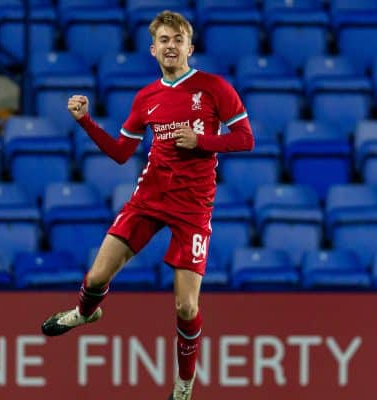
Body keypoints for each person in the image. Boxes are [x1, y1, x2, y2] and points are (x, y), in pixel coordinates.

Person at [41, 10, 254, 400]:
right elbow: (122, 153)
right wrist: (86, 121)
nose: (171, 45)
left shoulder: (214, 88)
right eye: (164, 40)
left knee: (187, 307)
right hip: (149, 198)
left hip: (193, 207)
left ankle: (184, 383)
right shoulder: (147, 98)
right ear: (153, 49)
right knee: (95, 278)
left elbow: (245, 139)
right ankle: (85, 312)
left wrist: (203, 142)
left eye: (178, 39)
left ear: (190, 47)